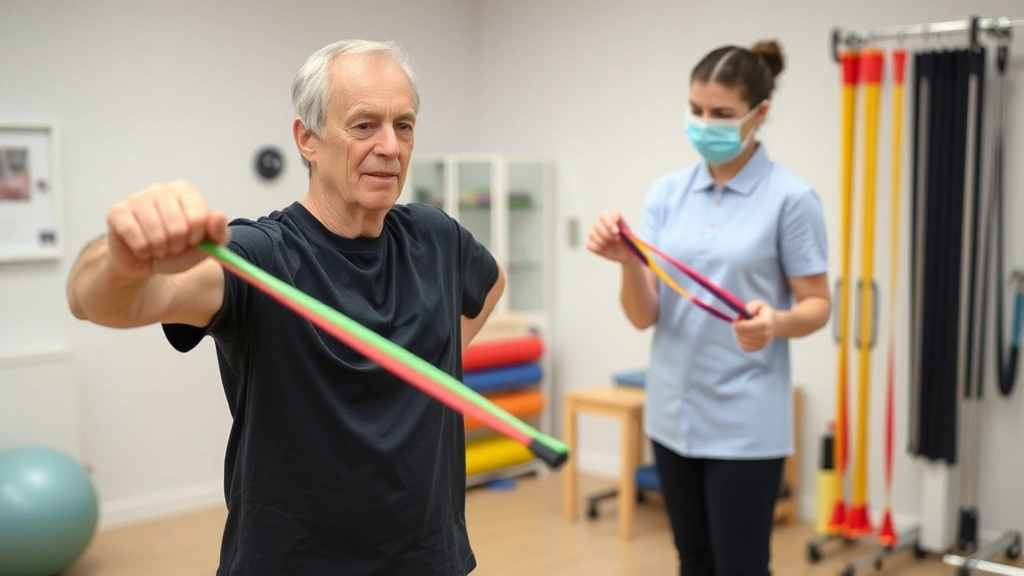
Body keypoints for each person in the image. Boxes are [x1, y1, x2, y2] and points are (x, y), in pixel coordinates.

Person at [66, 39, 504, 575]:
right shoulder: (260, 255)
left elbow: (491, 281)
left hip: (430, 560)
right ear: (307, 139)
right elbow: (101, 300)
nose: (390, 146)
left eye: (404, 125)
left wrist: (432, 364)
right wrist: (120, 257)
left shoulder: (436, 236)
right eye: (364, 125)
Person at [587, 40, 831, 575]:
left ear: (759, 113)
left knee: (741, 566)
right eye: (695, 110)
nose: (703, 124)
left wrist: (776, 323)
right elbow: (644, 315)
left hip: (745, 423)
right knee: (693, 560)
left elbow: (818, 305)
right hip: (672, 414)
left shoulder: (791, 199)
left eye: (721, 114)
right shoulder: (667, 193)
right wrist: (627, 262)